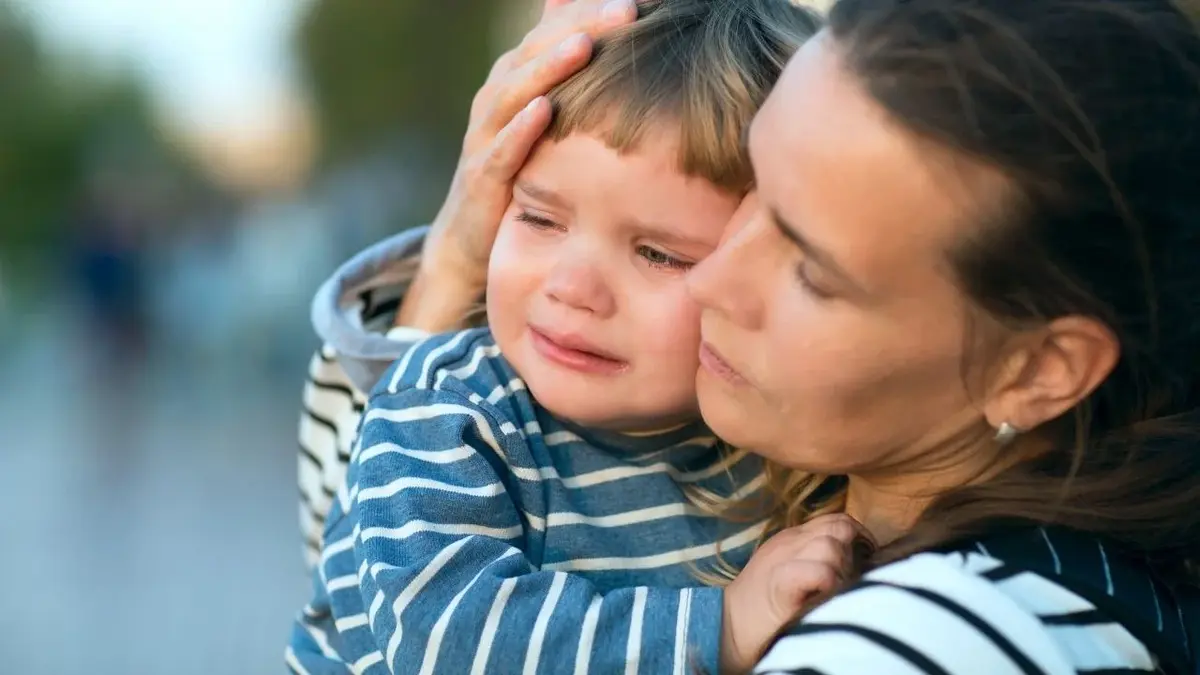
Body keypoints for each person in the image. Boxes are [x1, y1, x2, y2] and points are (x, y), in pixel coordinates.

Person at [302, 0, 1200, 672]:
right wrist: (458, 260)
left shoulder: (910, 637)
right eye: (753, 201)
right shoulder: (476, 406)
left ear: (1039, 369)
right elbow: (370, 569)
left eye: (810, 266)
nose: (719, 281)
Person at [289, 2, 837, 673]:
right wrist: (719, 627)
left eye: (659, 254)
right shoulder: (449, 408)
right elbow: (448, 642)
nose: (573, 286)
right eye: (541, 218)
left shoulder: (779, 447)